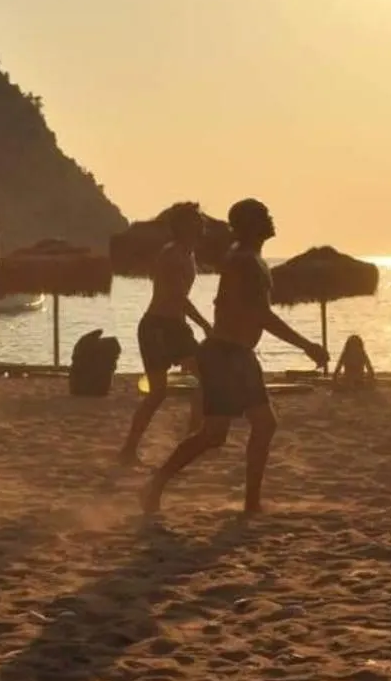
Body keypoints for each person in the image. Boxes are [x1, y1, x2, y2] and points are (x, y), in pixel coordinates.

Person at [142, 199, 328, 517]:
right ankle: (154, 485)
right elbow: (262, 314)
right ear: (249, 225)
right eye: (263, 216)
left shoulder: (249, 258)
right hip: (225, 355)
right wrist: (306, 345)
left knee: (264, 424)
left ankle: (251, 503)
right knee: (213, 435)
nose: (270, 220)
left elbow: (238, 307)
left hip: (239, 354)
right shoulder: (244, 261)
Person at [119, 202, 212, 464]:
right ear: (184, 226)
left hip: (177, 327)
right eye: (197, 221)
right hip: (156, 327)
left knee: (204, 381)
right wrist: (205, 324)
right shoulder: (170, 254)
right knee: (158, 393)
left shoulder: (189, 254)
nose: (202, 224)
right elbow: (177, 296)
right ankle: (128, 450)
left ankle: (190, 444)